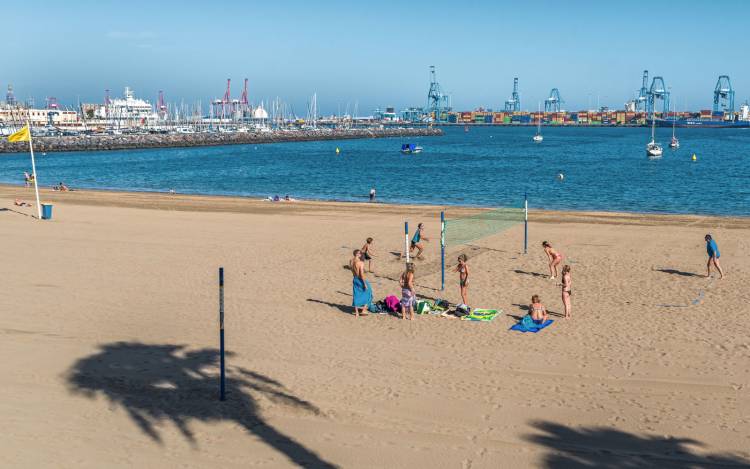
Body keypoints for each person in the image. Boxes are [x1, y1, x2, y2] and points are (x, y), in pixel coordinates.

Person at [349, 250, 372, 317]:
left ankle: (356, 313)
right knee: (369, 292)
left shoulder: (351, 261)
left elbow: (352, 270)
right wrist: (364, 283)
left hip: (355, 278)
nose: (361, 254)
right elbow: (361, 274)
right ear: (357, 254)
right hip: (361, 279)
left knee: (356, 294)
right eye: (360, 253)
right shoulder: (360, 263)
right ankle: (364, 309)